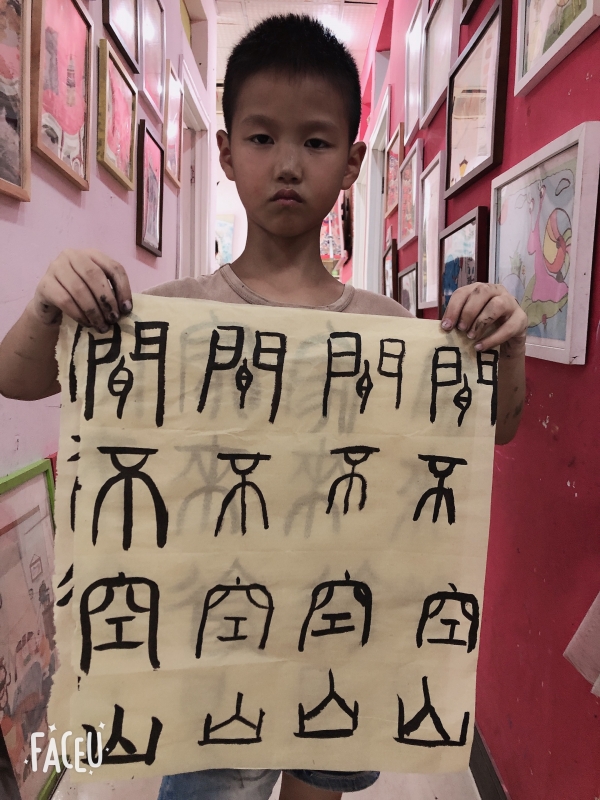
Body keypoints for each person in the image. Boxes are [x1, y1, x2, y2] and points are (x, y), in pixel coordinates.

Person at [0, 14, 527, 800]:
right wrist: (51, 302)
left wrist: (505, 347)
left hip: (342, 644)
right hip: (215, 652)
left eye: (315, 142)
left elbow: (496, 427)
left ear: (352, 163)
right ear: (224, 152)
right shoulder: (170, 315)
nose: (286, 164)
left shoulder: (390, 330)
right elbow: (17, 379)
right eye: (260, 138)